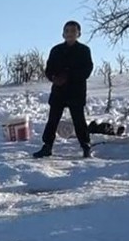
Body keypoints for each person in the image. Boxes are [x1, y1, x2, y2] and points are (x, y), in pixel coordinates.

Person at [33, 20, 94, 159]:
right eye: (67, 31)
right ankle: (47, 146)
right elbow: (48, 70)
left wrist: (69, 76)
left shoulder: (84, 50)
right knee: (52, 120)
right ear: (63, 34)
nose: (70, 34)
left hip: (76, 91)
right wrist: (55, 78)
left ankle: (85, 146)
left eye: (73, 31)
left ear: (78, 33)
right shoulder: (56, 50)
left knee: (79, 120)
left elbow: (87, 70)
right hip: (59, 91)